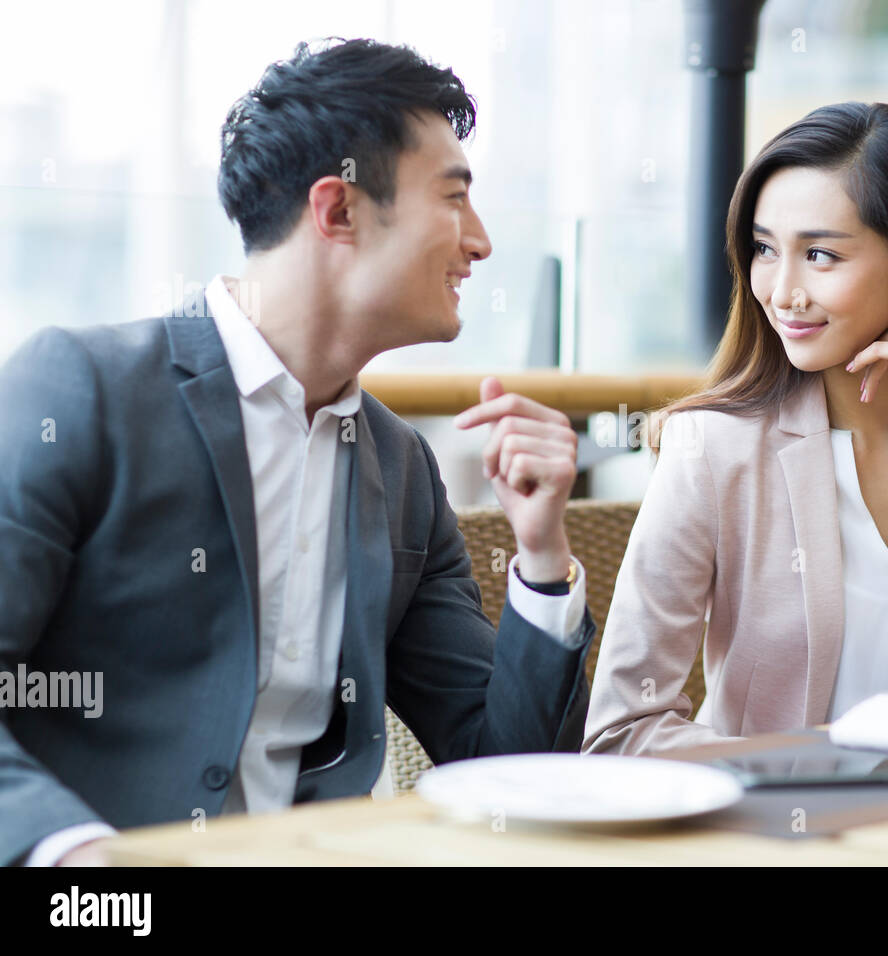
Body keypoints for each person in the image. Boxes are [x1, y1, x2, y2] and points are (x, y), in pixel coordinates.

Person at [0, 38, 595, 866]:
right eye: (454, 198)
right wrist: (75, 855)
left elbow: (508, 767)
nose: (481, 242)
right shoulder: (80, 391)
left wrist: (542, 555)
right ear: (338, 210)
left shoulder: (400, 469)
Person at [584, 102, 888, 755]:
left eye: (819, 255)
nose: (782, 291)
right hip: (789, 835)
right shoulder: (713, 445)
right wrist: (810, 773)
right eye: (765, 249)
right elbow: (622, 730)